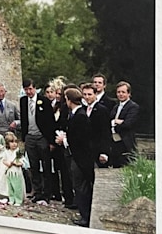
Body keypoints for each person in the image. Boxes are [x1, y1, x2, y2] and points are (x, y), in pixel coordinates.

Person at [56, 88, 93, 227]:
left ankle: (85, 217)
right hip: (75, 155)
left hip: (80, 158)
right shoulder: (75, 114)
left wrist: (64, 140)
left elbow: (80, 139)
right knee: (77, 186)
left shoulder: (80, 116)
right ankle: (83, 214)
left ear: (69, 100)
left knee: (81, 186)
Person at [20, 79, 56, 204]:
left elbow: (50, 121)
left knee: (46, 166)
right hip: (30, 136)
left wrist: (51, 141)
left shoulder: (44, 101)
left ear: (35, 88)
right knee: (33, 166)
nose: (28, 92)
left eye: (30, 89)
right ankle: (37, 191)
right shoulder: (23, 101)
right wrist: (24, 137)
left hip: (42, 137)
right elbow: (24, 119)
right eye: (26, 89)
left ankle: (47, 193)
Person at [110, 81, 140, 167]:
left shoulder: (133, 107)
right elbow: (110, 120)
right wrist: (117, 121)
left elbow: (128, 123)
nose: (120, 94)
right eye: (118, 92)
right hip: (115, 142)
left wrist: (117, 122)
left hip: (126, 142)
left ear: (129, 93)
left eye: (123, 92)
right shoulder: (116, 107)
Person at [82, 83, 111, 168]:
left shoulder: (102, 110)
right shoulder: (82, 109)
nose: (87, 97)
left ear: (95, 94)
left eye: (90, 94)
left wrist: (104, 152)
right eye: (85, 94)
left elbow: (105, 132)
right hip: (84, 149)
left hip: (96, 149)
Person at [0, 132, 26, 206]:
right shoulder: (6, 152)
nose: (14, 144)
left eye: (15, 142)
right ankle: (10, 198)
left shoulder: (18, 152)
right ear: (7, 143)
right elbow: (3, 159)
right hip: (8, 171)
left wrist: (14, 163)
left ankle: (18, 200)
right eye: (11, 142)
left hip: (16, 172)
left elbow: (20, 162)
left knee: (16, 186)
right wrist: (6, 163)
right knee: (9, 185)